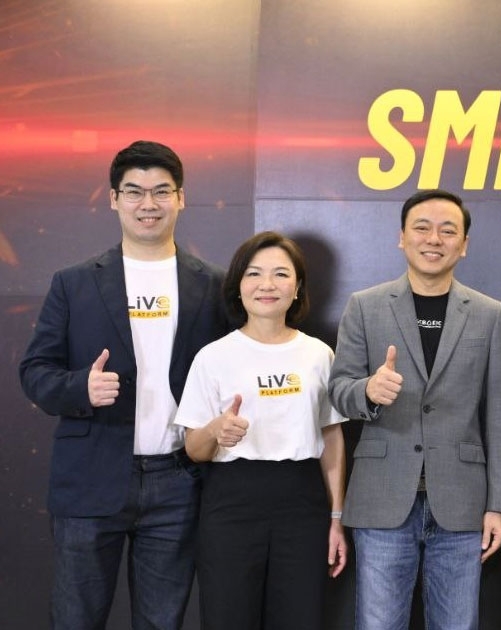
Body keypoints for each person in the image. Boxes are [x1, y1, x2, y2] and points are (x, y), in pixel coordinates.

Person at [18, 140, 229, 629]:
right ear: (114, 199)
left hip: (179, 481)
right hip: (89, 478)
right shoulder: (73, 282)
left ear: (181, 198)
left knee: (162, 622)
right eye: (134, 192)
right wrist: (80, 389)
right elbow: (35, 371)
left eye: (161, 191)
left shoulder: (213, 285)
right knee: (76, 619)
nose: (147, 204)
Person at [329, 189, 501, 630]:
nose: (434, 239)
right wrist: (369, 390)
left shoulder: (488, 313)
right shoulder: (365, 306)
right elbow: (338, 390)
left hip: (463, 502)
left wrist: (499, 505)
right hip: (383, 497)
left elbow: (499, 415)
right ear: (402, 237)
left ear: (464, 244)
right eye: (422, 228)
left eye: (448, 231)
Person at [173, 231, 347, 629]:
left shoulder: (319, 354)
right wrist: (216, 430)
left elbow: (332, 438)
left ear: (297, 287)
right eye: (254, 274)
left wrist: (336, 517)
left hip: (302, 503)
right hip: (231, 503)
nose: (267, 284)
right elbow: (194, 449)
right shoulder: (213, 357)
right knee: (228, 617)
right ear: (238, 285)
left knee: (300, 618)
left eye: (280, 274)